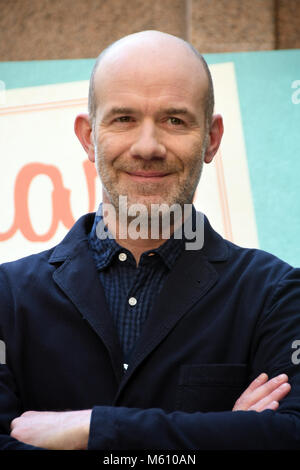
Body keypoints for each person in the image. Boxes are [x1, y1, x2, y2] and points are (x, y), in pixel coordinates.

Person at [0, 30, 299, 451]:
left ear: (212, 138)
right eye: (123, 119)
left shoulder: (276, 294)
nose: (148, 146)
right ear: (88, 137)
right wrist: (223, 434)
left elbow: (291, 437)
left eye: (174, 120)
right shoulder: (6, 297)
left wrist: (93, 429)